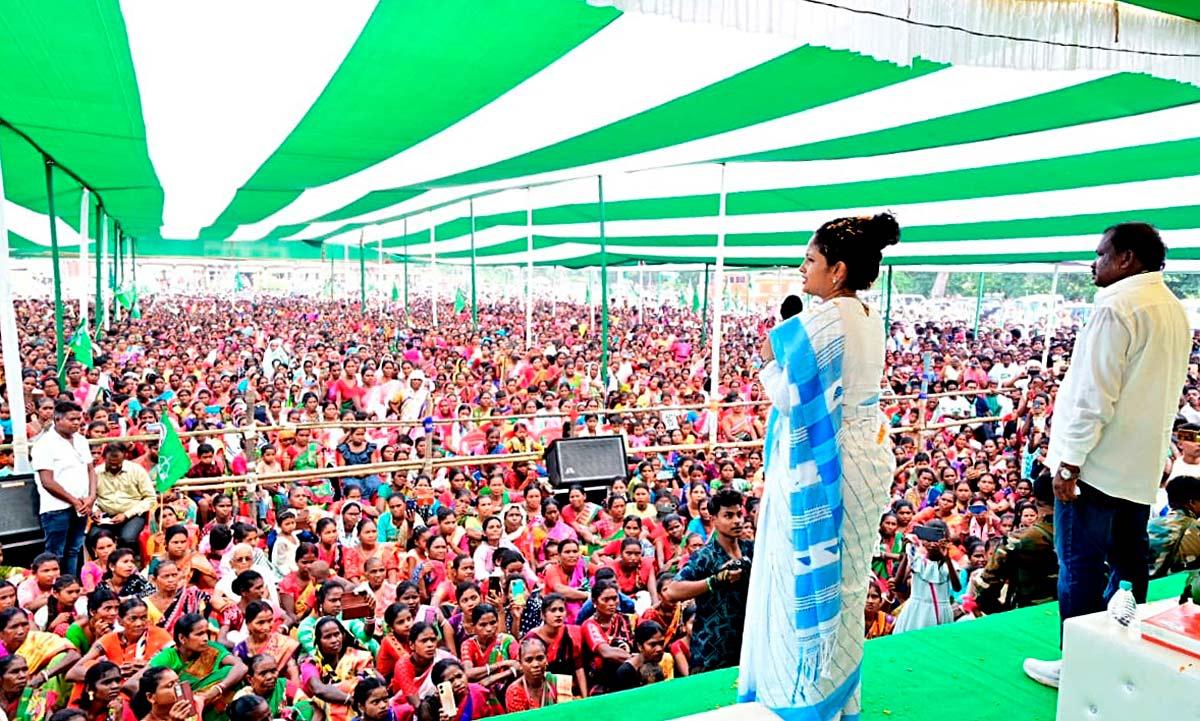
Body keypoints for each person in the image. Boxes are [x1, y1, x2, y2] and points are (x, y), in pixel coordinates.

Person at [740, 213, 899, 718]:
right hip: (866, 457)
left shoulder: (825, 320)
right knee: (848, 585)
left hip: (829, 466)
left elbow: (793, 400)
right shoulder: (868, 317)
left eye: (811, 260)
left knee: (805, 578)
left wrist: (768, 358)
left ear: (838, 270)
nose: (803, 269)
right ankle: (841, 695)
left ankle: (804, 695)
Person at [1025, 223, 1191, 689]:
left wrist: (1068, 463)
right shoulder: (1173, 310)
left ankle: (1080, 665)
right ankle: (1123, 651)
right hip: (1138, 468)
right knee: (1128, 564)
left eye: (1100, 254)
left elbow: (1092, 396)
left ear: (1127, 259)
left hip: (1095, 469)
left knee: (1079, 566)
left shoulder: (1117, 307)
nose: (1094, 263)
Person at [664, 489, 752, 674]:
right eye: (728, 515)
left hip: (748, 644)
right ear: (713, 520)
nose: (736, 521)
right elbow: (672, 591)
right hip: (712, 649)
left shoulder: (751, 550)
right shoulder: (706, 556)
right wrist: (715, 581)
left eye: (738, 514)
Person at [975, 472, 1058, 614]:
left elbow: (986, 589)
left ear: (1036, 500)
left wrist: (1003, 613)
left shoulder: (1017, 541)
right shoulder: (1088, 533)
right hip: (1080, 617)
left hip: (1029, 616)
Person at [32, 401, 97, 576]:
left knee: (74, 550)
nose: (77, 423)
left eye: (79, 419)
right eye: (72, 419)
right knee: (55, 554)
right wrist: (74, 501)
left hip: (82, 506)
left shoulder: (82, 441)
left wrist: (91, 497)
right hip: (57, 509)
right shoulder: (44, 444)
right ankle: (56, 589)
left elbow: (91, 470)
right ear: (57, 419)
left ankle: (71, 584)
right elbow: (48, 481)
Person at [92, 442, 156, 561]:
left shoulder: (137, 470)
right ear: (104, 458)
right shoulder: (96, 472)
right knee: (93, 538)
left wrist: (126, 515)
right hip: (105, 515)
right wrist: (95, 510)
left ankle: (126, 564)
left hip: (132, 514)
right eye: (111, 464)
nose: (114, 467)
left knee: (127, 538)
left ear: (125, 457)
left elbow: (150, 498)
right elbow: (90, 496)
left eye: (118, 463)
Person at [1148, 474, 1200, 578]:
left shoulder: (1149, 525)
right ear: (1192, 502)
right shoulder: (1197, 529)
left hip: (1143, 589)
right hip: (1178, 590)